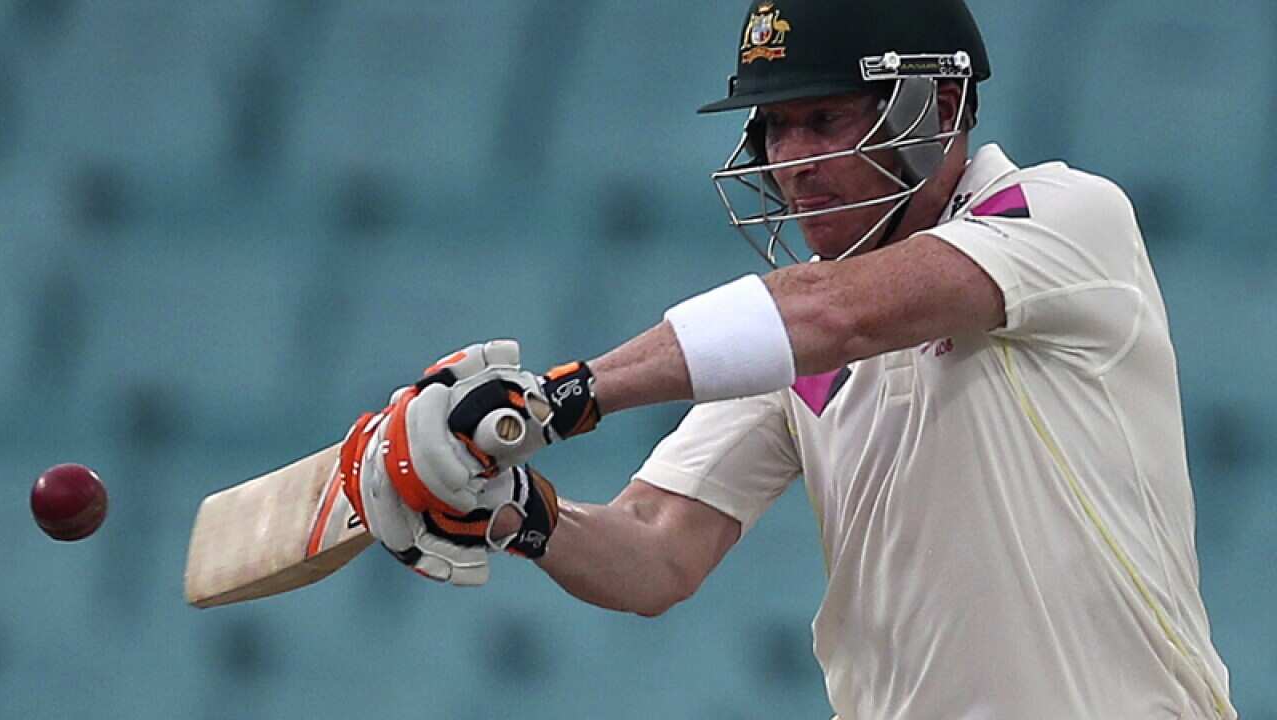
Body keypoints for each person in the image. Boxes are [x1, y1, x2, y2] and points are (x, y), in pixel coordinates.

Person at [337, 1, 1237, 717]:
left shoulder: (1062, 218)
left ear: (944, 105)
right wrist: (517, 511)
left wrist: (555, 399)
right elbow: (655, 556)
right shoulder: (782, 334)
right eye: (777, 128)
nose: (794, 161)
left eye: (825, 118)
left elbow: (830, 315)